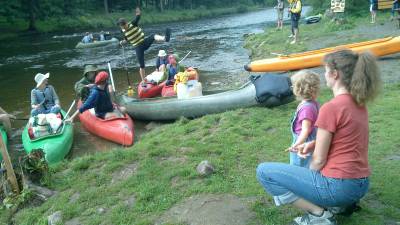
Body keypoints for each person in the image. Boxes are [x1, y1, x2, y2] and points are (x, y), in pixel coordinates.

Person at [256, 49, 381, 225]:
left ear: (334, 74)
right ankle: (339, 205)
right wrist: (314, 143)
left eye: (325, 70)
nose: (324, 75)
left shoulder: (331, 108)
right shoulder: (359, 103)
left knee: (264, 171)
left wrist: (304, 180)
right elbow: (346, 138)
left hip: (338, 187)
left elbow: (319, 161)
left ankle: (319, 214)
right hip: (360, 184)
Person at [118, 7, 171, 84]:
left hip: (144, 42)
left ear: (126, 23)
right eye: (122, 27)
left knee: (153, 36)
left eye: (125, 26)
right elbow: (127, 39)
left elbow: (138, 17)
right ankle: (143, 80)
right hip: (138, 47)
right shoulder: (122, 31)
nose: (124, 28)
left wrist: (138, 12)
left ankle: (165, 38)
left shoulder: (133, 23)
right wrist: (122, 42)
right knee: (142, 65)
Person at [286, 70, 320, 168]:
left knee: (300, 166)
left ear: (297, 89)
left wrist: (296, 145)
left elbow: (305, 131)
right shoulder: (312, 103)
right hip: (307, 140)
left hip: (303, 142)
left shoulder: (307, 108)